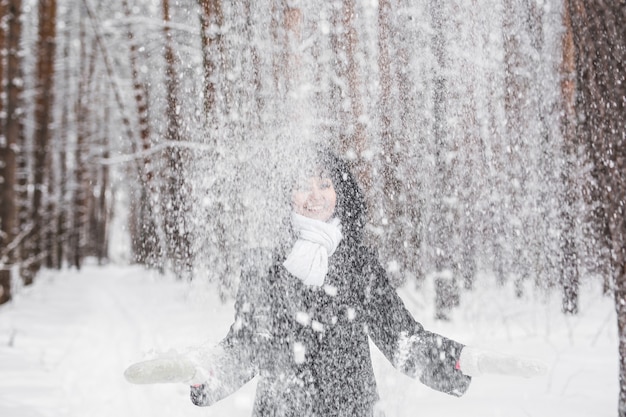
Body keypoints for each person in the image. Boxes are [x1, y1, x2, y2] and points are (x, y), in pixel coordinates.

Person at [124, 149, 546, 416]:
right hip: (281, 410)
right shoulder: (264, 261)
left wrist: (461, 359)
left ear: (340, 191)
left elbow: (400, 337)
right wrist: (203, 368)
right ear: (284, 195)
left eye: (325, 183)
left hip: (354, 409)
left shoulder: (358, 259)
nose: (315, 195)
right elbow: (247, 345)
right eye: (301, 186)